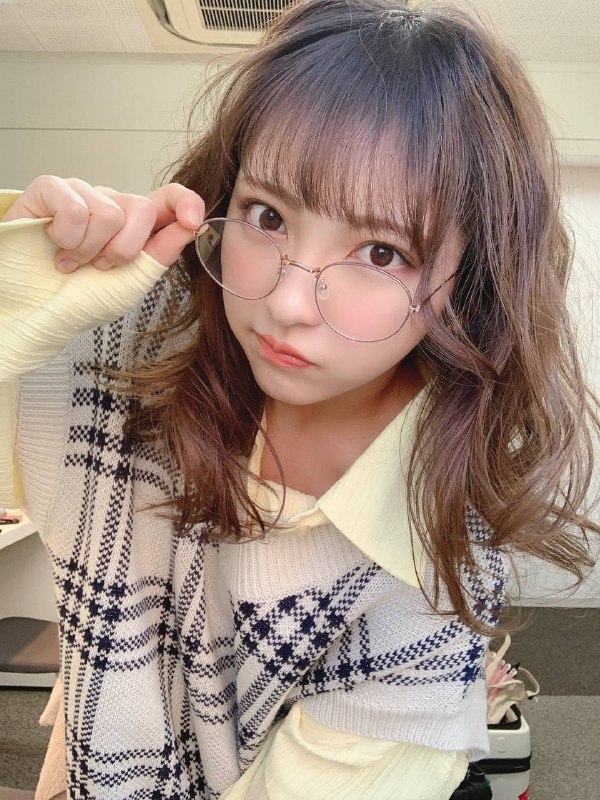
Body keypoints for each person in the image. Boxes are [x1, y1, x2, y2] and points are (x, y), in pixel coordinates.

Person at [1, 0, 598, 797]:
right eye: (268, 216)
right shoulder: (137, 344)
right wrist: (19, 290)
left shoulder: (428, 585)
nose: (286, 303)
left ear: (471, 280)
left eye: (380, 252)